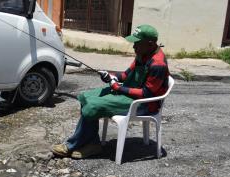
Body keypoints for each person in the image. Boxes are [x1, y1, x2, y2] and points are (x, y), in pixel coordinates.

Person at [51, 24, 170, 159]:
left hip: (142, 104)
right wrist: (110, 75)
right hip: (128, 95)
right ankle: (92, 143)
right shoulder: (142, 54)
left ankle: (72, 144)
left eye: (137, 43)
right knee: (85, 96)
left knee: (93, 105)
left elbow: (146, 94)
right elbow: (125, 75)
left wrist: (118, 88)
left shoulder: (158, 65)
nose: (134, 46)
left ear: (150, 44)